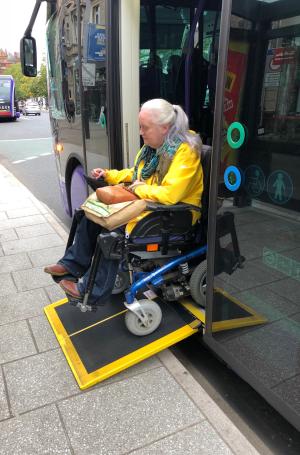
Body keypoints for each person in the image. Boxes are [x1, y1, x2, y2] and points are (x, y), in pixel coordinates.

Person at [44, 98, 204, 306]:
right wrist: (110, 175)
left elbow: (171, 194)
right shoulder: (155, 148)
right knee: (91, 215)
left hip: (175, 215)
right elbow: (136, 174)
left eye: (145, 127)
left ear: (164, 128)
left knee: (112, 234)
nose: (140, 132)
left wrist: (138, 188)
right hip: (153, 206)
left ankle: (91, 293)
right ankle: (72, 266)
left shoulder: (185, 151)